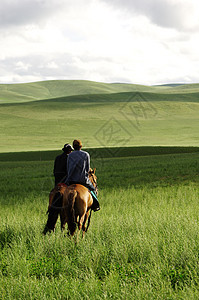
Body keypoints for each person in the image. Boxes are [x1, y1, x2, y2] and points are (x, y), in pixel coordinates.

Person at [65, 139, 100, 212]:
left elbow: (68, 168)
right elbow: (87, 169)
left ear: (73, 147)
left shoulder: (70, 155)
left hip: (71, 180)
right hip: (83, 180)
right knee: (93, 189)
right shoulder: (86, 154)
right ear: (81, 146)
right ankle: (95, 206)